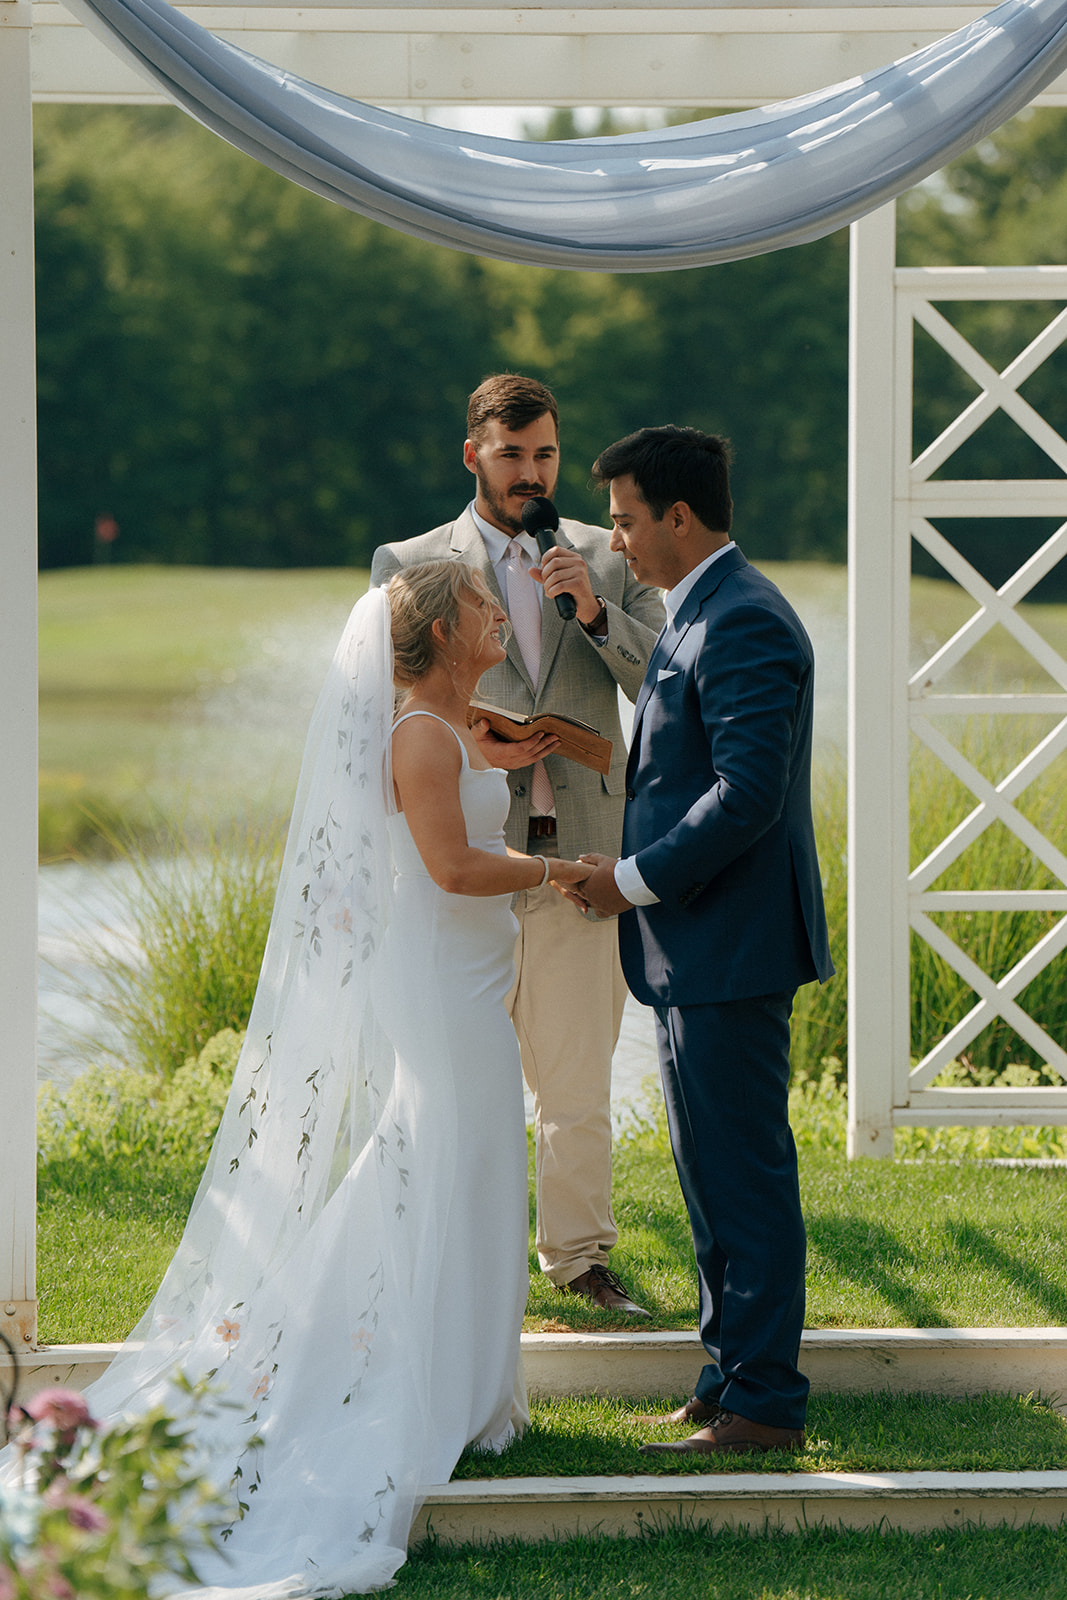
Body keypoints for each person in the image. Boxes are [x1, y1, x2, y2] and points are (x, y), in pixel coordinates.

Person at [9, 561, 591, 1597]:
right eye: (478, 608)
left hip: (461, 973)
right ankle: (416, 1383)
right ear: (433, 632)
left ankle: (467, 1390)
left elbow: (467, 809)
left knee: (462, 1162)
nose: (497, 616)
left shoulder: (445, 724)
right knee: (446, 1155)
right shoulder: (417, 734)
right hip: (440, 985)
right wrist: (556, 872)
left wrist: (493, 735)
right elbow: (452, 867)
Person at [371, 374, 665, 1316]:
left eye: (544, 455)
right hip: (464, 860)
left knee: (576, 1081)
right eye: (511, 456)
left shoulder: (604, 557)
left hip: (586, 851)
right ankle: (455, 1251)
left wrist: (592, 611)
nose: (530, 475)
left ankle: (579, 1259)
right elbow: (384, 704)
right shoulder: (410, 562)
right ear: (472, 456)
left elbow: (665, 679)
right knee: (458, 1077)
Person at [569, 426, 834, 1457]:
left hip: (729, 948)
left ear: (678, 516)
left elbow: (747, 796)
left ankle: (764, 1403)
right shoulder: (697, 617)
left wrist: (628, 881)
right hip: (695, 951)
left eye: (628, 521)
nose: (619, 544)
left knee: (743, 1176)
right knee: (708, 1173)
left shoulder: (745, 622)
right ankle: (726, 1372)